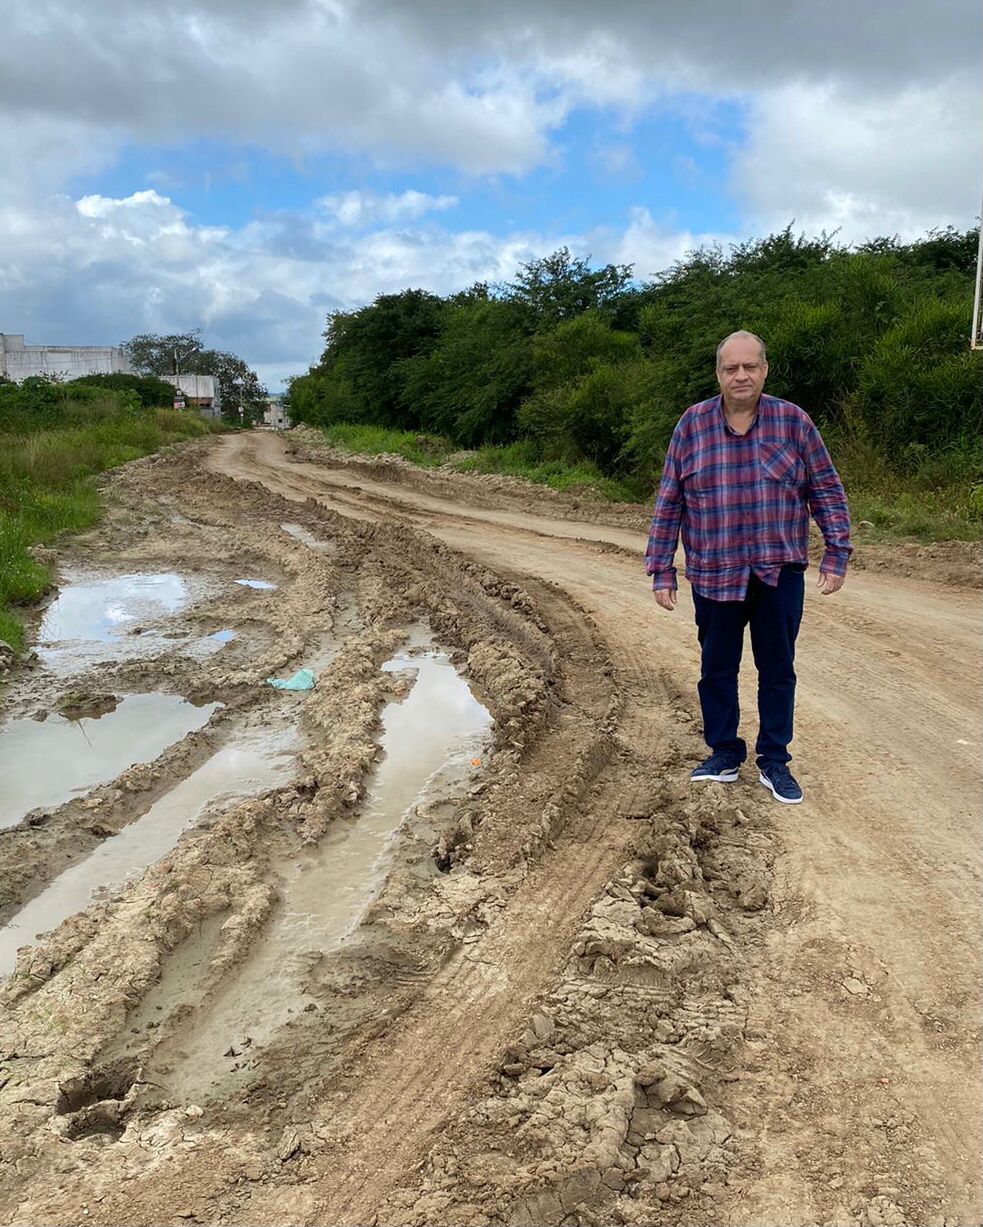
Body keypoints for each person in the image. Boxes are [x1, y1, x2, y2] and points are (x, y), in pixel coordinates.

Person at [646, 330, 851, 804]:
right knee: (716, 667)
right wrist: (661, 568)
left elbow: (826, 490)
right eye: (730, 368)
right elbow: (669, 501)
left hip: (777, 573)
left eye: (750, 366)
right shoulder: (692, 425)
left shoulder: (794, 422)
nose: (741, 375)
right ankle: (723, 751)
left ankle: (775, 761)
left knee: (777, 668)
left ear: (764, 369)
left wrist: (836, 552)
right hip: (714, 572)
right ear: (718, 373)